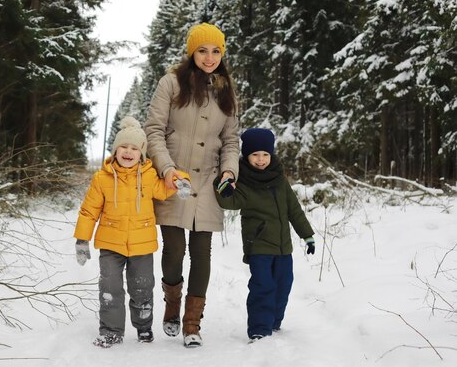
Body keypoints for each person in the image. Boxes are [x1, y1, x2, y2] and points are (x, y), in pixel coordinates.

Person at [144, 22, 240, 347]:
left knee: (202, 254)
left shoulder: (226, 89)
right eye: (203, 50)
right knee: (173, 252)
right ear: (192, 52)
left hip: (209, 182)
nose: (209, 57)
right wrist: (167, 169)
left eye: (216, 50)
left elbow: (231, 140)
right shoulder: (171, 83)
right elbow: (153, 130)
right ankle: (172, 303)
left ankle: (192, 324)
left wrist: (229, 171)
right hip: (173, 181)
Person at [74, 116, 191, 348]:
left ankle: (144, 327)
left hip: (142, 244)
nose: (128, 152)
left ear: (142, 153)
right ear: (115, 151)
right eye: (123, 147)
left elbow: (165, 187)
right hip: (110, 244)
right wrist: (82, 239)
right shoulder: (101, 179)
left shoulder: (148, 176)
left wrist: (181, 181)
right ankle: (111, 331)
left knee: (142, 287)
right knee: (110, 288)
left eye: (134, 148)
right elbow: (89, 211)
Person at [213, 128, 316, 343]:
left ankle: (274, 321)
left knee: (284, 283)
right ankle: (260, 328)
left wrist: (307, 235)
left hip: (282, 247)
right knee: (262, 285)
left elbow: (294, 210)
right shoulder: (244, 181)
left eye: (265, 155)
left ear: (272, 155)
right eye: (255, 155)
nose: (261, 160)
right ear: (247, 156)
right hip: (258, 245)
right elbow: (229, 201)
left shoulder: (279, 178)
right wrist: (223, 186)